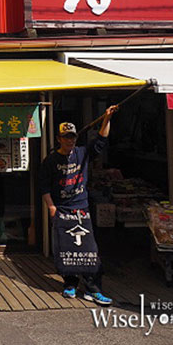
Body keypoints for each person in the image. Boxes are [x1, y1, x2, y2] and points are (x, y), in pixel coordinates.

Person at [39, 105, 118, 306]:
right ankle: (70, 284)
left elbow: (101, 140)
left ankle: (94, 289)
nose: (70, 140)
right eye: (66, 137)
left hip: (82, 208)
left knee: (89, 251)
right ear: (58, 138)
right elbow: (44, 187)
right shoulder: (51, 160)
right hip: (62, 210)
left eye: (73, 136)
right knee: (66, 251)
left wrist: (106, 119)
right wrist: (51, 207)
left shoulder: (82, 153)